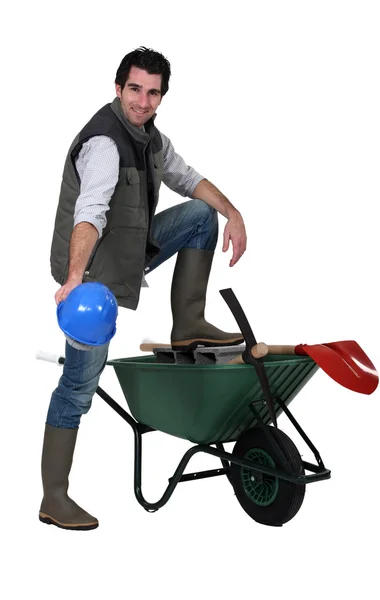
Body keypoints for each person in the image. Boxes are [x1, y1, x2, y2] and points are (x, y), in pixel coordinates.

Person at [39, 47, 247, 531]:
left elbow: (188, 178)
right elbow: (89, 213)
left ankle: (188, 323)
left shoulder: (152, 139)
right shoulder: (105, 145)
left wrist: (232, 212)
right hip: (91, 276)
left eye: (152, 92)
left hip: (130, 249)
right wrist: (74, 279)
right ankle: (53, 496)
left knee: (200, 215)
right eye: (134, 89)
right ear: (118, 88)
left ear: (160, 97)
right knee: (78, 386)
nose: (142, 101)